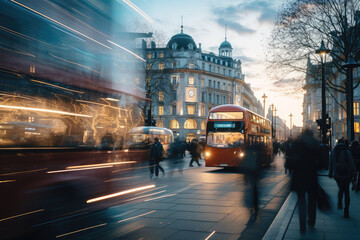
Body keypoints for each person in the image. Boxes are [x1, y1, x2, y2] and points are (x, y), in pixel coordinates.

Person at [289, 129, 320, 234]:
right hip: (311, 176)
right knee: (312, 200)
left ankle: (302, 225)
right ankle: (312, 221)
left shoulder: (297, 143)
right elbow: (320, 163)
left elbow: (290, 160)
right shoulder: (316, 144)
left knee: (301, 201)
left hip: (299, 176)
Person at [329, 138, 357, 218]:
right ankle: (346, 210)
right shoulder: (347, 151)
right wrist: (354, 173)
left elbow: (331, 163)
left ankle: (340, 201)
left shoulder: (333, 151)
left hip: (337, 174)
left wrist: (330, 173)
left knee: (341, 188)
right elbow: (351, 162)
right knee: (346, 191)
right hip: (346, 174)